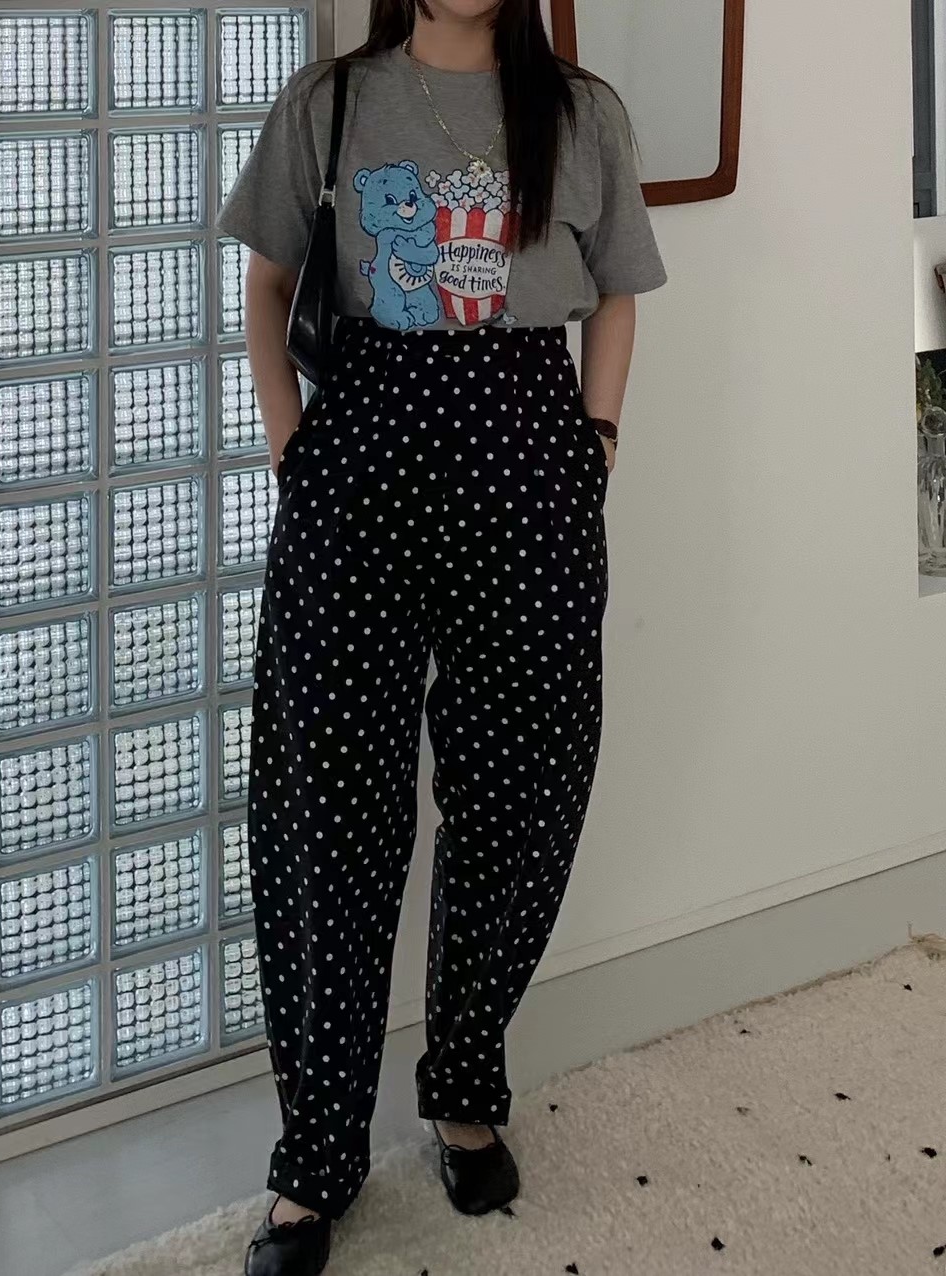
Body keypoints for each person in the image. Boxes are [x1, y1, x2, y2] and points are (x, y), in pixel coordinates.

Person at [218, 0, 667, 1267]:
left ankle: (466, 1088)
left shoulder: (580, 114)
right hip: (361, 454)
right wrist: (293, 453)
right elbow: (267, 283)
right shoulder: (329, 103)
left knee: (522, 788)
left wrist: (595, 444)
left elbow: (616, 295)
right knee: (325, 807)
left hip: (528, 454)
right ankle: (316, 1158)